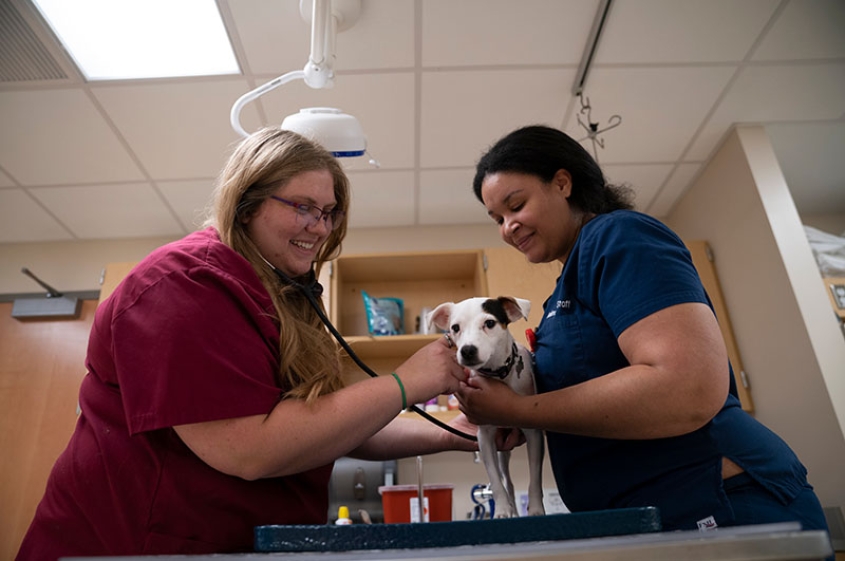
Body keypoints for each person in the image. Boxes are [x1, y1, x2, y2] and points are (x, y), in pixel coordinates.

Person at [18, 128, 482, 558]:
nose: (319, 228)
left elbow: (318, 428)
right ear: (245, 204)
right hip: (132, 544)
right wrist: (404, 384)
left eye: (328, 212)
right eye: (302, 207)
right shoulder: (180, 286)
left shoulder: (274, 294)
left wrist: (451, 432)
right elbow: (249, 448)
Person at [458, 125, 832, 539]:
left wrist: (514, 410)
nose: (508, 226)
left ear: (562, 183)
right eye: (498, 218)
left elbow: (686, 386)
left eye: (516, 205)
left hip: (720, 503)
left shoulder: (620, 236)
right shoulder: (563, 293)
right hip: (648, 517)